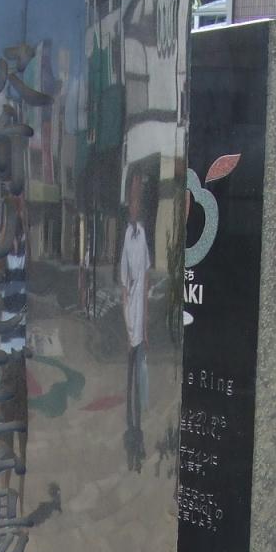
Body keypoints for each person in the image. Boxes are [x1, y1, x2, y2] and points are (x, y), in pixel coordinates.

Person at [120, 171, 150, 472]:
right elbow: (124, 287)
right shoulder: (127, 238)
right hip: (131, 316)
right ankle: (130, 428)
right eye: (132, 201)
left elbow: (146, 278)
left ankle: (137, 429)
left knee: (140, 377)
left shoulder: (142, 235)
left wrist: (145, 325)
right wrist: (129, 327)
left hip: (141, 315)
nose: (134, 206)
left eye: (137, 201)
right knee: (129, 378)